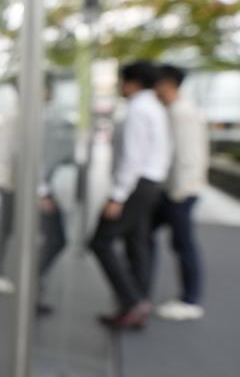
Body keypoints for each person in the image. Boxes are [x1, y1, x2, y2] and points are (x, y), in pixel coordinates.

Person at [89, 61, 171, 330]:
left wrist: (117, 196)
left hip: (135, 185)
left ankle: (133, 301)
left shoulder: (138, 110)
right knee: (137, 243)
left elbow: (133, 158)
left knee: (101, 241)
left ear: (133, 82)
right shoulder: (154, 108)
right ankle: (135, 303)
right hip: (149, 184)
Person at [0, 81, 74, 315]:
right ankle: (4, 277)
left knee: (26, 232)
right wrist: (40, 191)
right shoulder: (18, 118)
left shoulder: (30, 116)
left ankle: (30, 286)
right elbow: (20, 157)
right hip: (17, 186)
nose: (48, 93)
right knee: (10, 228)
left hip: (25, 185)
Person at [151, 64, 208, 321]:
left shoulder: (181, 113)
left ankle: (190, 300)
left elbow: (186, 157)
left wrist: (177, 192)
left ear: (168, 83)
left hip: (180, 192)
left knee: (183, 244)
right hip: (176, 190)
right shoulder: (176, 111)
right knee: (154, 235)